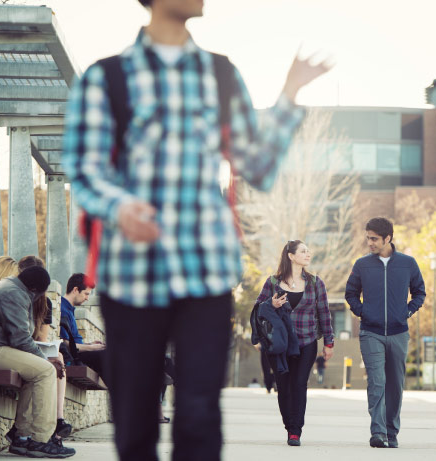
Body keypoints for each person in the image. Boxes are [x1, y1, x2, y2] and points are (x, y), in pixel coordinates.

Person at [61, 0, 330, 458]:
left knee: (201, 416)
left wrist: (289, 95)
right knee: (136, 419)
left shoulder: (221, 74)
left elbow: (258, 167)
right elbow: (84, 170)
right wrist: (120, 206)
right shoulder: (107, 78)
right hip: (132, 272)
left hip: (205, 270)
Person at [0, 266, 76, 458]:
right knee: (45, 371)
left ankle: (22, 437)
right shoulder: (14, 293)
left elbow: (19, 338)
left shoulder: (12, 287)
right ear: (35, 290)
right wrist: (45, 359)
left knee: (36, 373)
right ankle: (40, 440)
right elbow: (20, 338)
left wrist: (43, 358)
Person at [345, 217, 426, 448]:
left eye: (374, 239)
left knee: (395, 385)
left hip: (399, 333)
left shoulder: (408, 263)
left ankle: (392, 432)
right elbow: (351, 293)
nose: (369, 242)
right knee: (377, 382)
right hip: (371, 332)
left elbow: (419, 292)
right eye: (367, 237)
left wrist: (406, 312)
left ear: (388, 238)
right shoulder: (362, 264)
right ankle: (378, 433)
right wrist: (364, 313)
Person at [255, 240, 334, 446]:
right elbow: (258, 308)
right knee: (283, 385)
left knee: (299, 384)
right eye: (303, 251)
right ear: (291, 256)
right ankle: (288, 424)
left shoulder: (316, 283)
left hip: (307, 341)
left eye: (308, 251)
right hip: (279, 344)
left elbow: (324, 313)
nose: (308, 254)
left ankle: (295, 431)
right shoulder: (273, 282)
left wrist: (329, 342)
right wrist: (270, 303)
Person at [17, 256, 73, 445]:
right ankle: (55, 422)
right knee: (49, 365)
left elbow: (42, 338)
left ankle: (58, 418)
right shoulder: (16, 296)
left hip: (30, 348)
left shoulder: (44, 302)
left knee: (57, 357)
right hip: (19, 349)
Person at [59, 273, 106, 382]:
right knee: (106, 356)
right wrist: (92, 348)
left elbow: (72, 340)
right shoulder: (63, 309)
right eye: (86, 294)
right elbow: (65, 344)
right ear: (75, 290)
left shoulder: (69, 309)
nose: (87, 298)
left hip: (79, 353)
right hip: (74, 356)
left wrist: (90, 344)